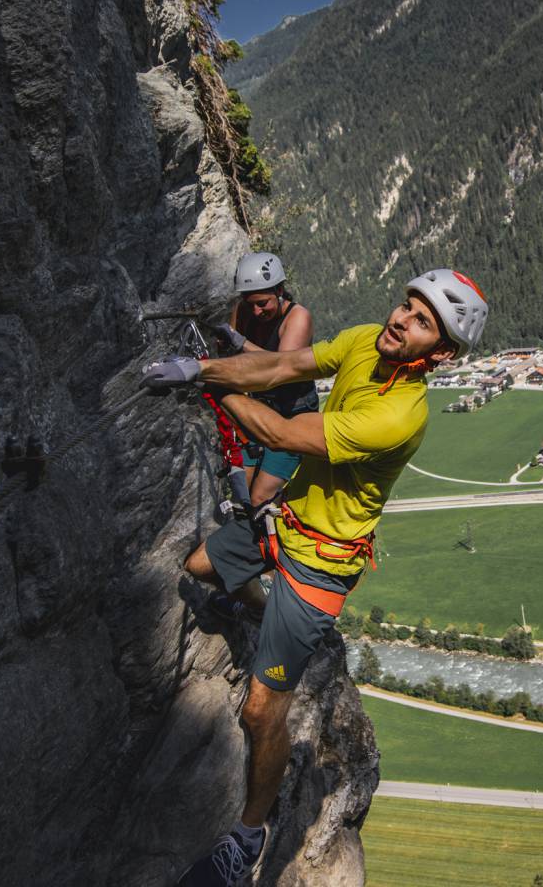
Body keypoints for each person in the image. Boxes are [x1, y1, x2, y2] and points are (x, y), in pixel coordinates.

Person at [141, 268, 488, 887]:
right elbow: (278, 370)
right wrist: (204, 369)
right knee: (197, 569)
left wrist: (206, 386)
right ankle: (255, 609)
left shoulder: (400, 416)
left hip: (320, 564)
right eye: (406, 305)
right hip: (286, 521)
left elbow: (281, 431)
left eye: (421, 321)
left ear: (438, 352)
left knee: (260, 710)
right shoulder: (361, 341)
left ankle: (247, 837)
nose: (400, 320)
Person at [213, 252, 316, 509]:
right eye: (251, 304)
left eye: (263, 303)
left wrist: (240, 341)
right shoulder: (246, 310)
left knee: (260, 498)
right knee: (242, 494)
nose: (257, 311)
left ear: (280, 290)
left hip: (292, 419)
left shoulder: (297, 318)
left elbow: (281, 369)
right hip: (259, 412)